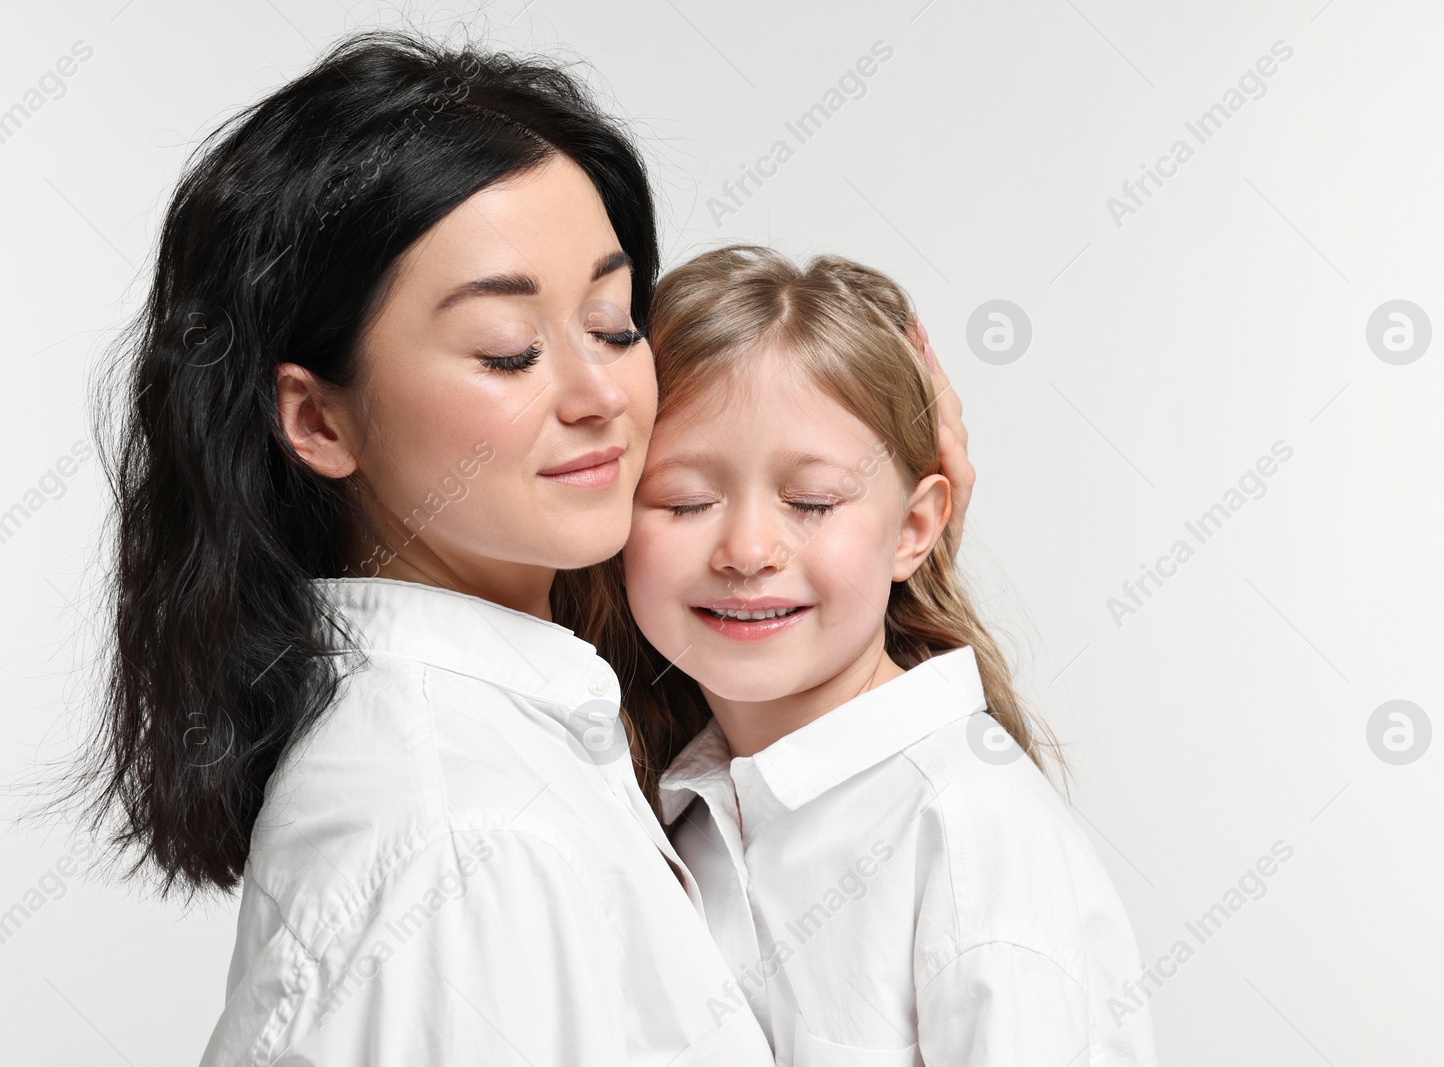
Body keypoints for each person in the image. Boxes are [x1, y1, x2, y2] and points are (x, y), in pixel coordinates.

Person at [76, 31, 974, 1064]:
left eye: (611, 321)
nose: (600, 396)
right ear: (319, 420)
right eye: (510, 351)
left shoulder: (540, 738)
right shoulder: (468, 837)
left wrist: (890, 521)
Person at [600, 246, 1157, 1065]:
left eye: (813, 501)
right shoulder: (672, 813)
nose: (749, 549)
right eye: (685, 500)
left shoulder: (968, 831)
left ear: (915, 528)